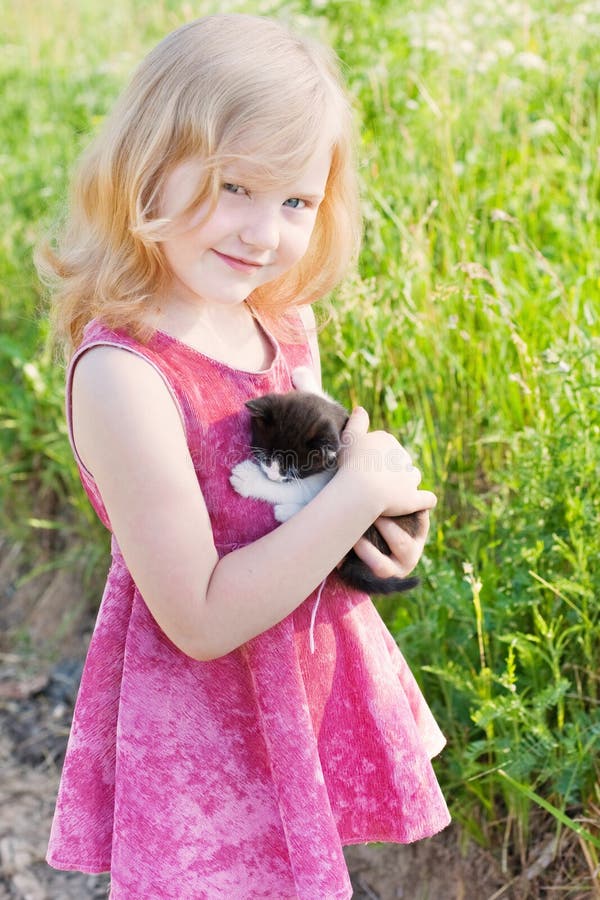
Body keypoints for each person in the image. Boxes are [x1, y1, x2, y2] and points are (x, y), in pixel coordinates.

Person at [37, 13, 450, 899]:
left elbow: (303, 506)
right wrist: (353, 495)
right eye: (235, 188)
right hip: (202, 733)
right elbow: (199, 615)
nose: (264, 234)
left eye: (296, 201)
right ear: (148, 165)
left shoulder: (279, 321)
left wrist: (372, 535)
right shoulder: (126, 374)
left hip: (295, 693)